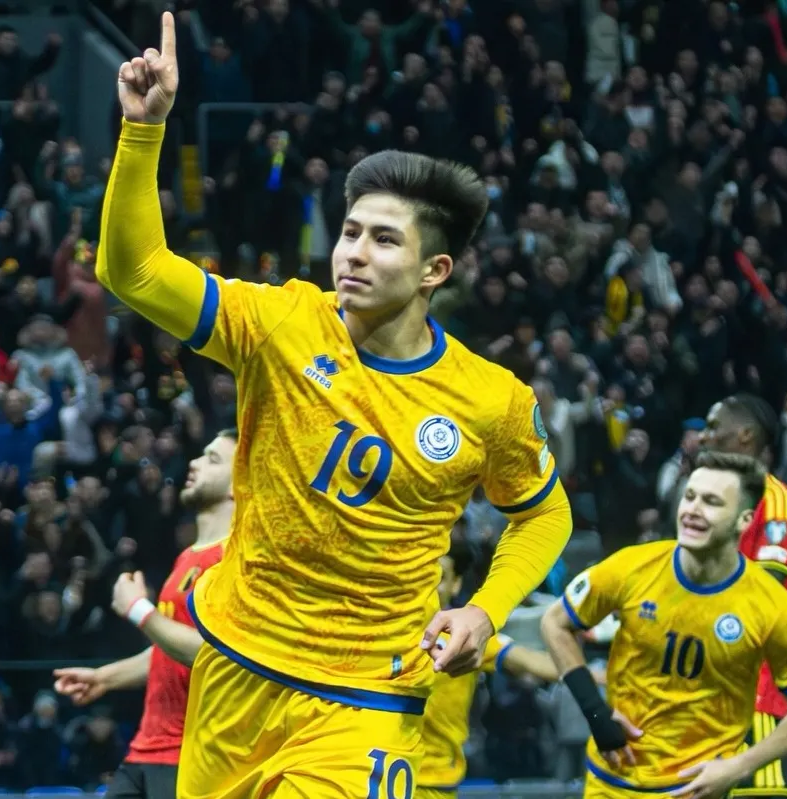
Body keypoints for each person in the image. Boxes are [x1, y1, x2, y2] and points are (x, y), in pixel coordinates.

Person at [102, 13, 573, 798]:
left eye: (384, 240)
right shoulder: (281, 322)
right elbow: (136, 272)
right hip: (236, 671)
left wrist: (487, 610)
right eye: (351, 232)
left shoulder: (490, 398)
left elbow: (544, 513)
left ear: (435, 270)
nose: (354, 252)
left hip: (367, 698)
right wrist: (143, 132)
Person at [540, 451, 787, 799]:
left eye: (711, 502)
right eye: (690, 496)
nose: (693, 509)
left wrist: (739, 766)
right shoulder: (632, 567)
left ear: (744, 520)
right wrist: (596, 713)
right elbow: (555, 622)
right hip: (612, 783)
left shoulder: (771, 606)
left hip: (696, 790)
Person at [52, 430, 238, 798]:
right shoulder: (188, 557)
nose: (194, 463)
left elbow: (216, 653)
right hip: (146, 751)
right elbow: (171, 648)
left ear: (239, 484)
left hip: (194, 760)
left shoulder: (235, 560)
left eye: (213, 460)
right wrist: (105, 678)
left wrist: (139, 610)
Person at [700, 394, 787, 799]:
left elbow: (765, 591)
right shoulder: (719, 503)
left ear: (745, 435)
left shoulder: (773, 500)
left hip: (757, 692)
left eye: (714, 426)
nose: (704, 436)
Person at [417, 538, 561, 798]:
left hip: (433, 780)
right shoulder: (382, 630)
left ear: (456, 584)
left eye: (440, 577)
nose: (430, 585)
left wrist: (588, 672)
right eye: (424, 576)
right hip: (371, 769)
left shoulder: (466, 635)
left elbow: (532, 663)